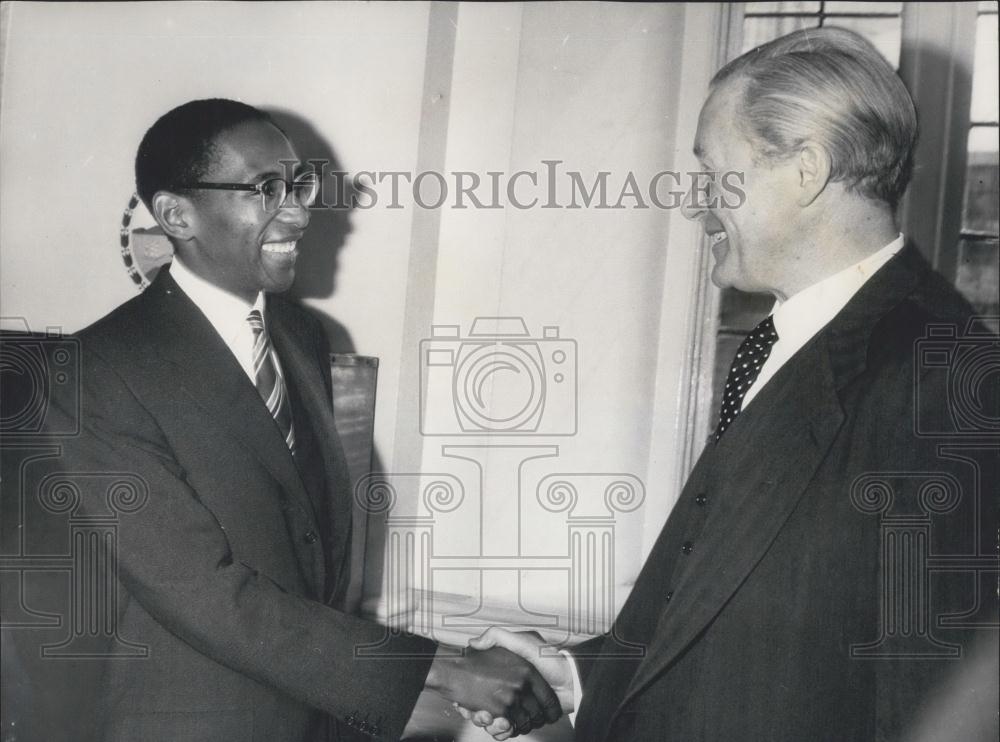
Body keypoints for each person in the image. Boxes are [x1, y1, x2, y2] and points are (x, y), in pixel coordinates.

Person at [466, 26, 996, 741]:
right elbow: (749, 611)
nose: (696, 203)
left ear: (806, 170)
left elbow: (928, 700)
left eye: (716, 173)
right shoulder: (788, 341)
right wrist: (581, 677)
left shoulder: (946, 376)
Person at [40, 98, 560, 742]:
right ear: (178, 215)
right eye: (266, 189)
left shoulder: (302, 334)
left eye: (299, 184)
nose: (300, 210)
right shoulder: (97, 369)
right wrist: (444, 668)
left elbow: (312, 547)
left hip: (312, 714)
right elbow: (200, 591)